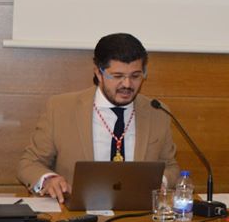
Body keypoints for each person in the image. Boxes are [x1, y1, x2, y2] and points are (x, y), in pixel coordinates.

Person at [17, 33, 180, 203]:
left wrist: (160, 182)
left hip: (138, 217)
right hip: (76, 218)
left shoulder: (157, 112)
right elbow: (29, 163)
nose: (127, 85)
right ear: (98, 72)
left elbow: (171, 166)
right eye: (117, 76)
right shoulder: (60, 108)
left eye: (135, 76)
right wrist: (48, 180)